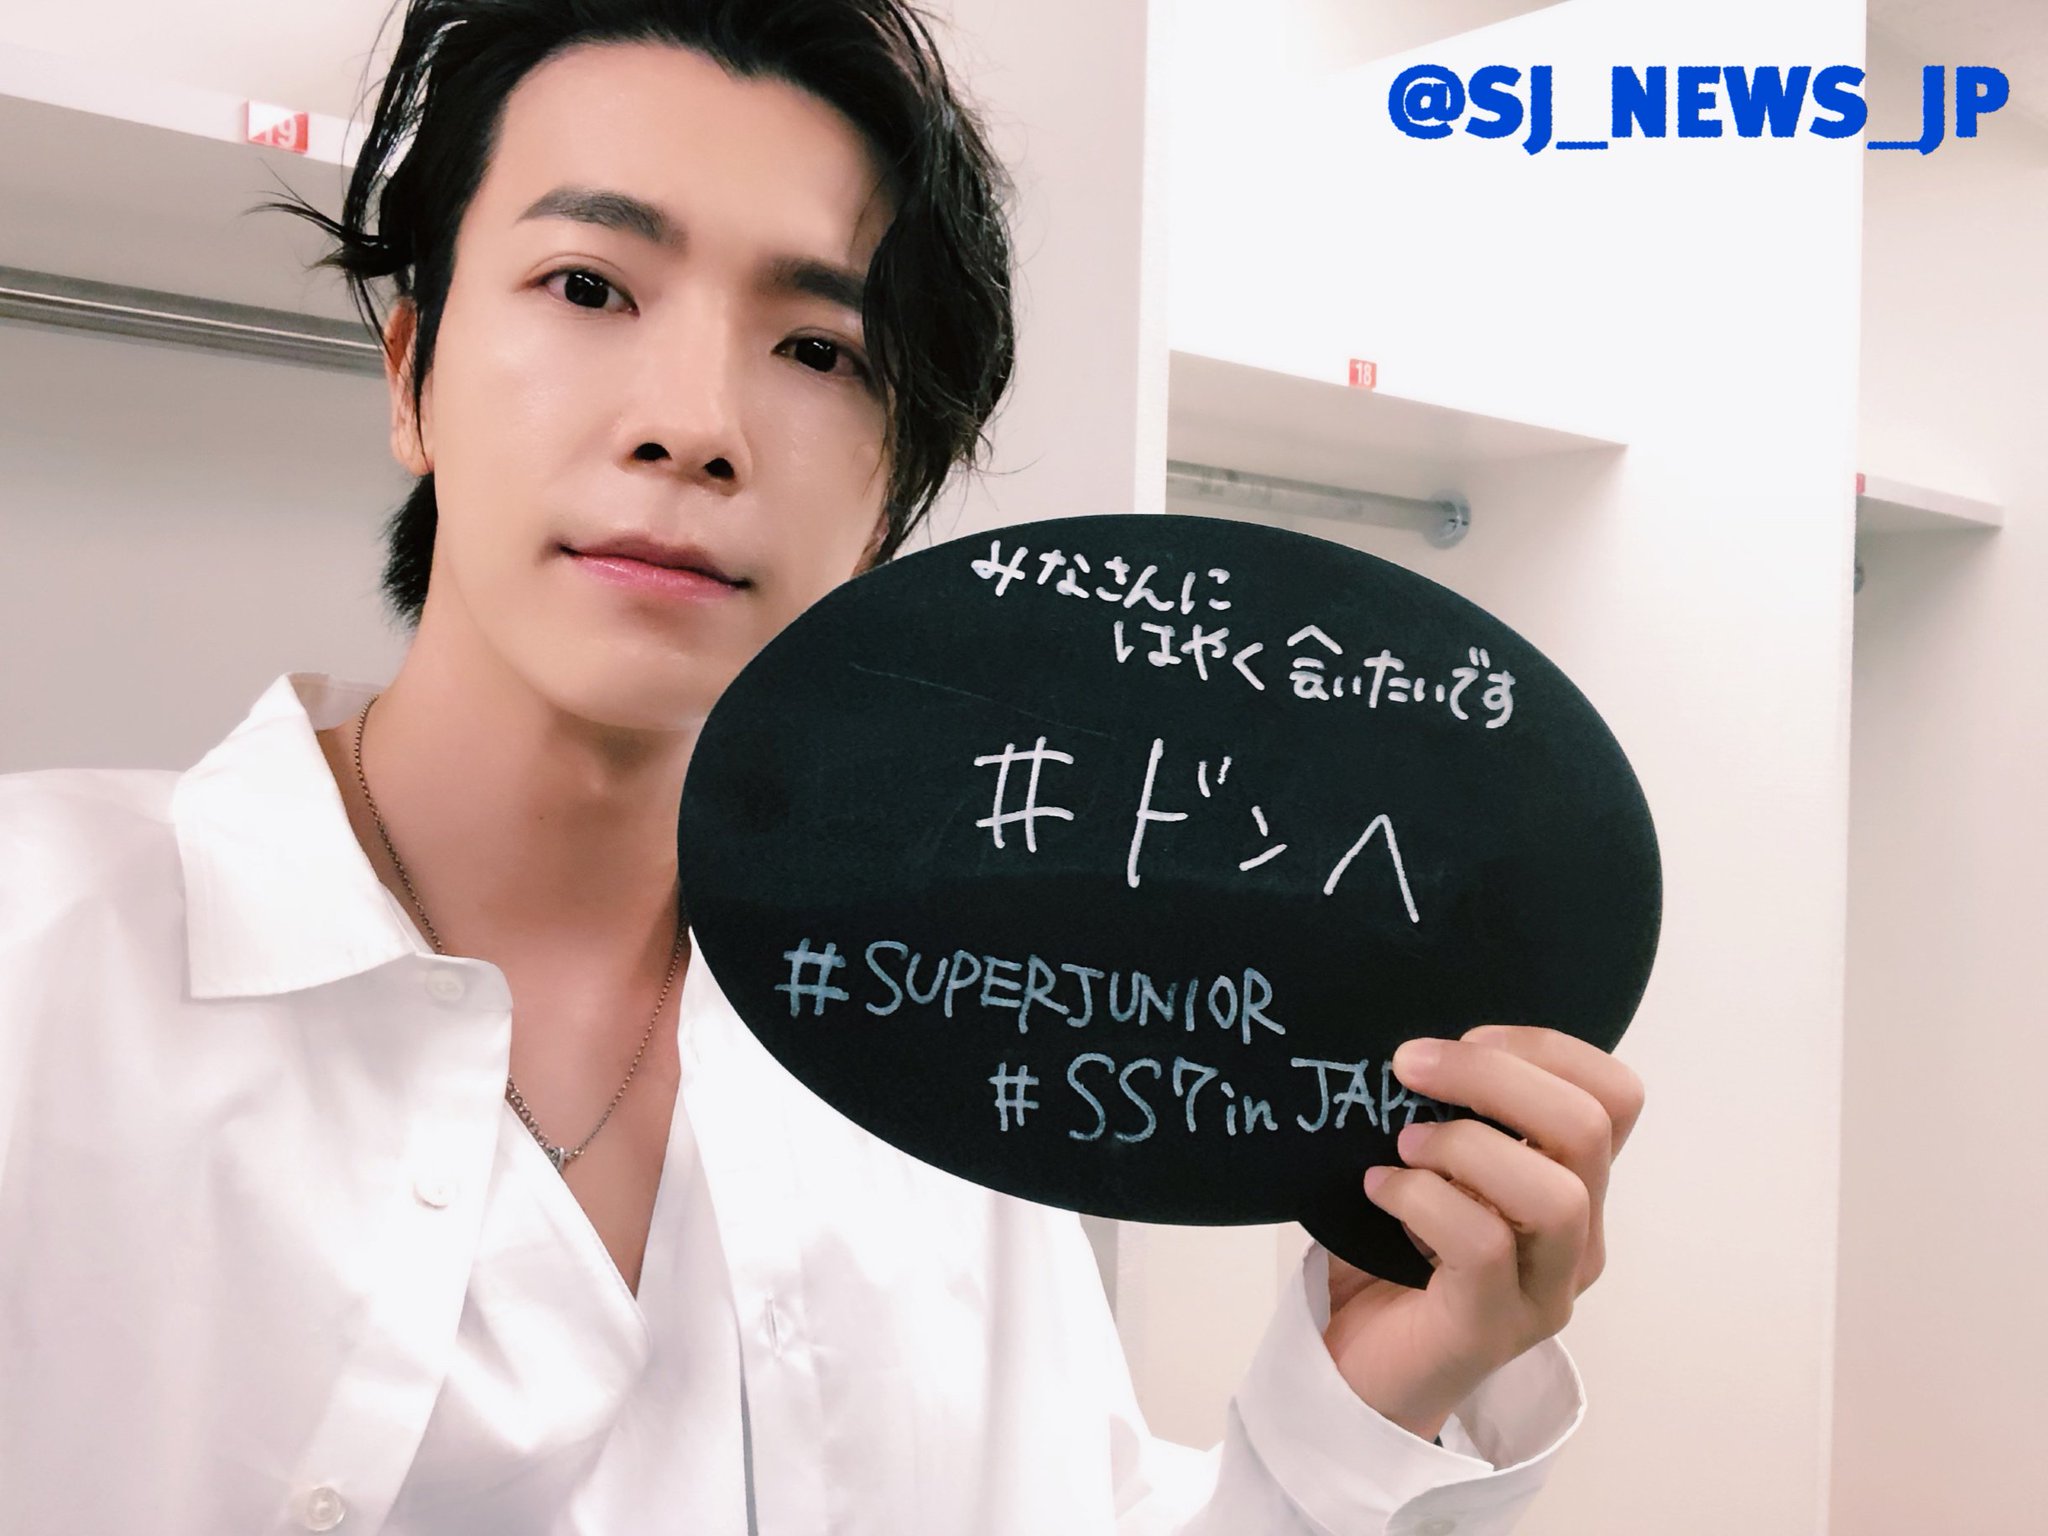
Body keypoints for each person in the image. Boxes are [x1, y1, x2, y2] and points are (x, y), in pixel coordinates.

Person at [0, 1, 1647, 1531]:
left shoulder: (945, 1038)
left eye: (819, 350)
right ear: (410, 372)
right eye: (588, 285)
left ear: (890, 496)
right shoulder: (37, 950)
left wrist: (1360, 1407)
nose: (695, 422)